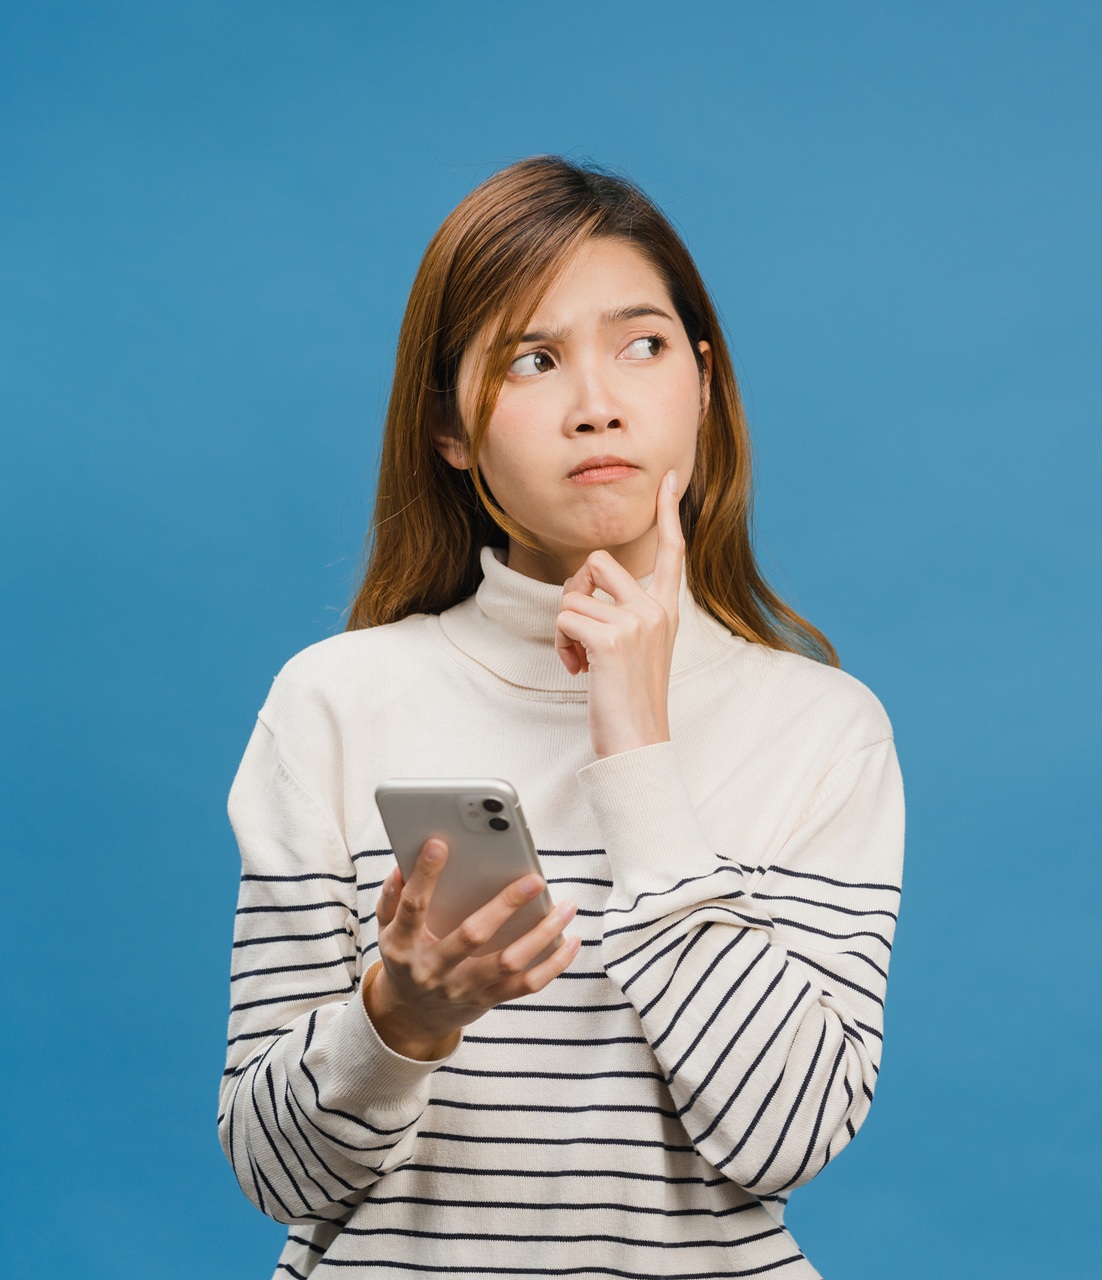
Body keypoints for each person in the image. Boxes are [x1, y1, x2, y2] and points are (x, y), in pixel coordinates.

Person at [218, 156, 905, 1279]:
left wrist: (636, 748)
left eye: (641, 344)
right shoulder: (333, 702)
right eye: (532, 360)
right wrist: (399, 1015)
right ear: (449, 427)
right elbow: (275, 1173)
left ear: (703, 379)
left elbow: (784, 1135)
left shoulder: (823, 729)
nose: (598, 403)